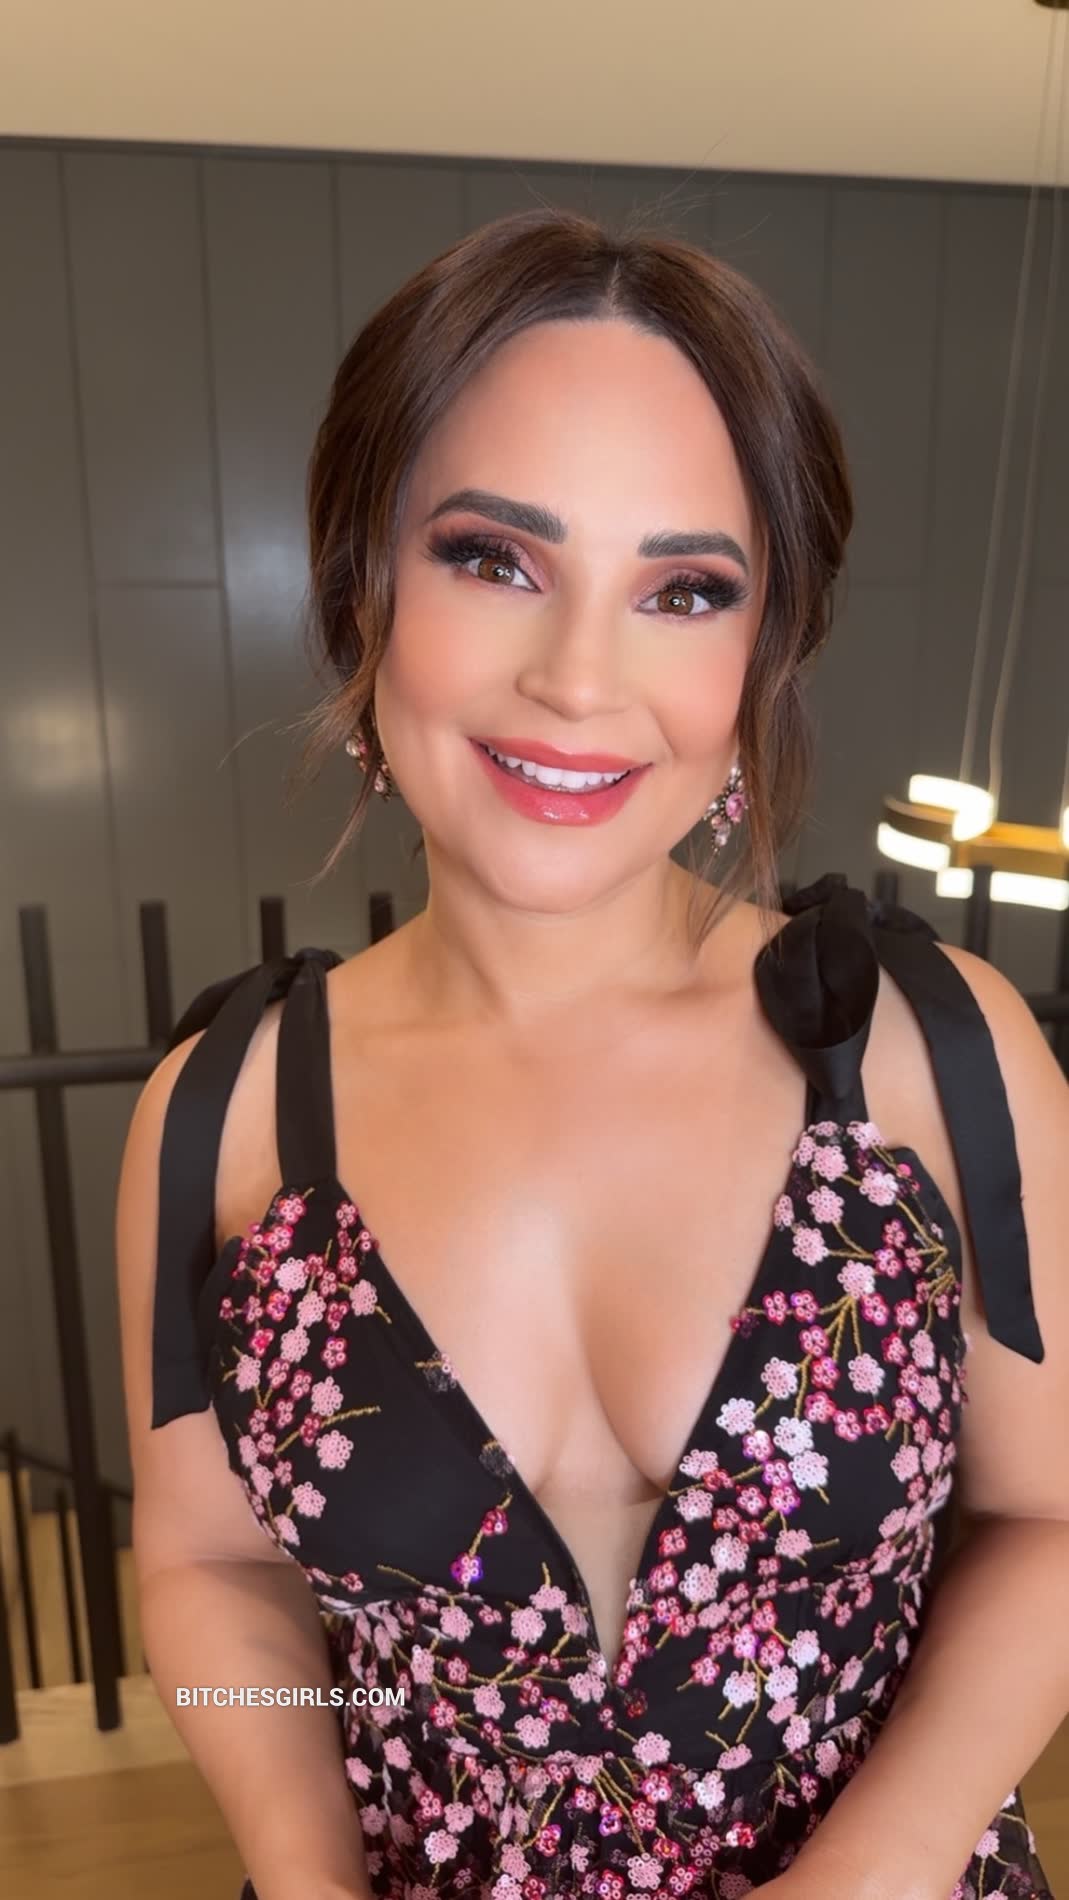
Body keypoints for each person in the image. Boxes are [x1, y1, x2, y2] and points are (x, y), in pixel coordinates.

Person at [116, 207, 1069, 1900]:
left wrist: (868, 1874)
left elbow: (1050, 1518)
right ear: (360, 582)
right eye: (494, 558)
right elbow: (213, 1570)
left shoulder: (930, 1056)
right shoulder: (228, 1111)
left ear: (758, 653)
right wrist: (307, 1870)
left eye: (682, 591)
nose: (577, 678)